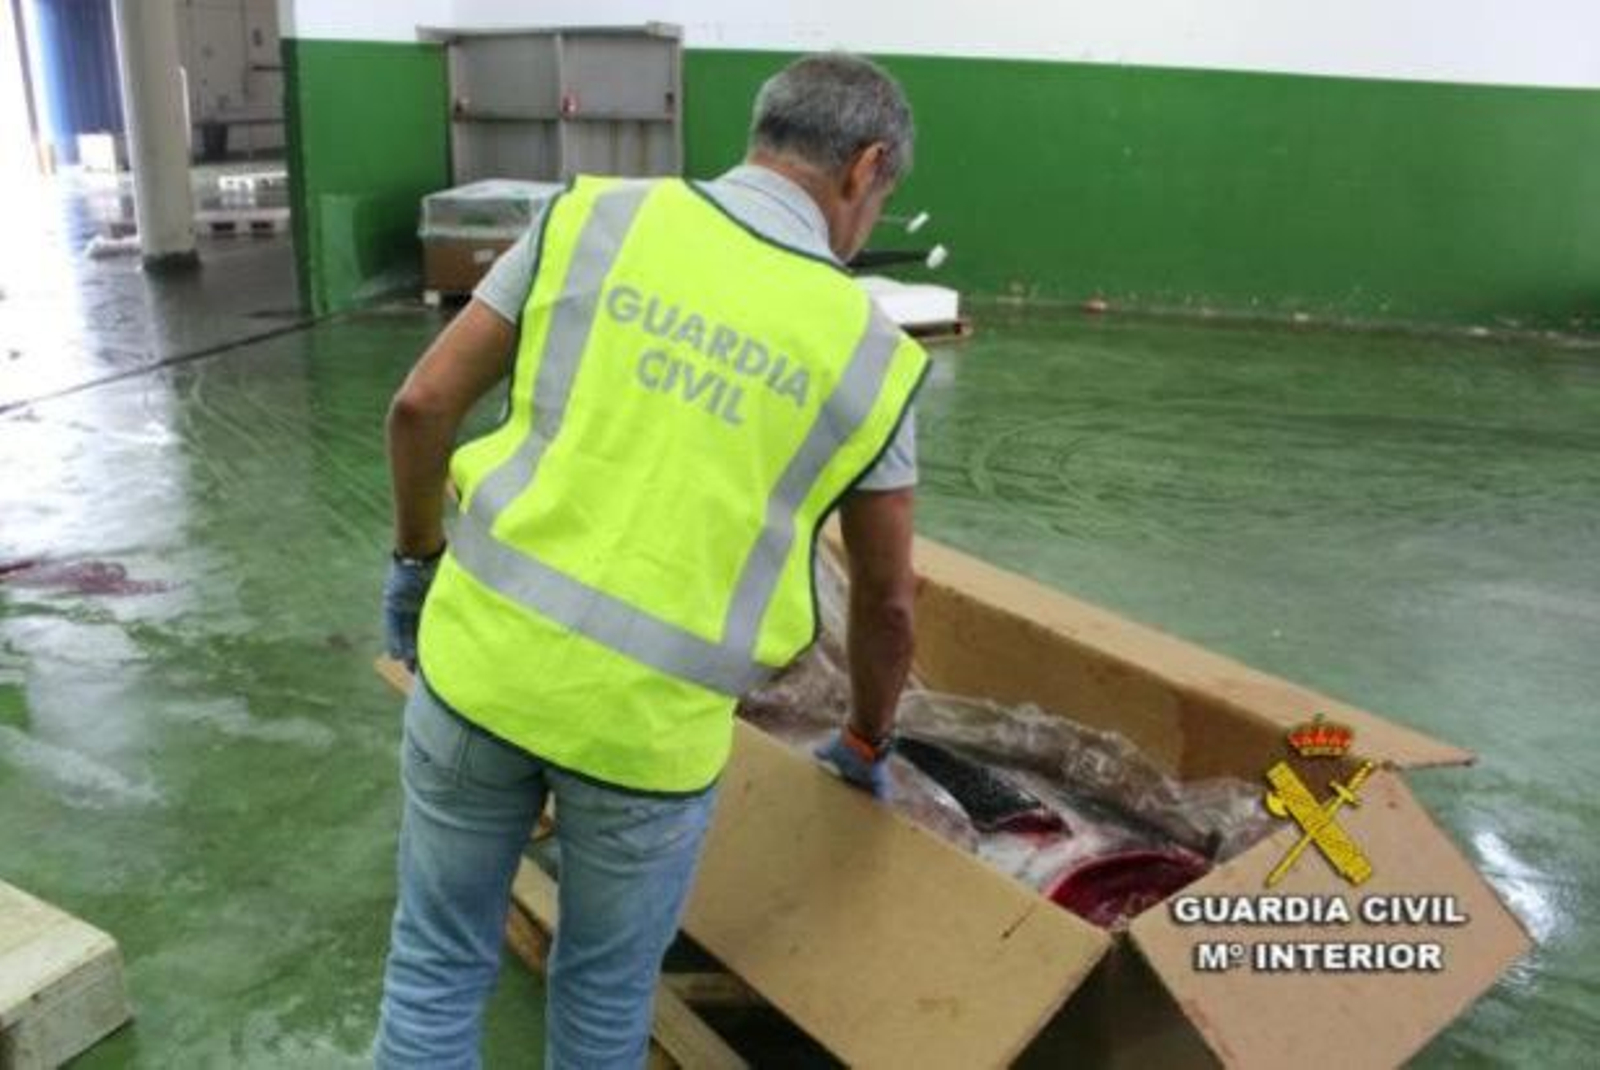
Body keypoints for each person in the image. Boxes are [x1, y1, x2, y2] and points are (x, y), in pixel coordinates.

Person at [374, 52, 928, 1069]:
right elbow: (888, 602)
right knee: (601, 1005)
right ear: (865, 168)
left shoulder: (592, 218)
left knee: (436, 968)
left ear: (762, 133)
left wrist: (414, 564)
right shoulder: (870, 351)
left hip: (478, 672)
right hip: (649, 740)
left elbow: (422, 404)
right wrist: (863, 739)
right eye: (880, 196)